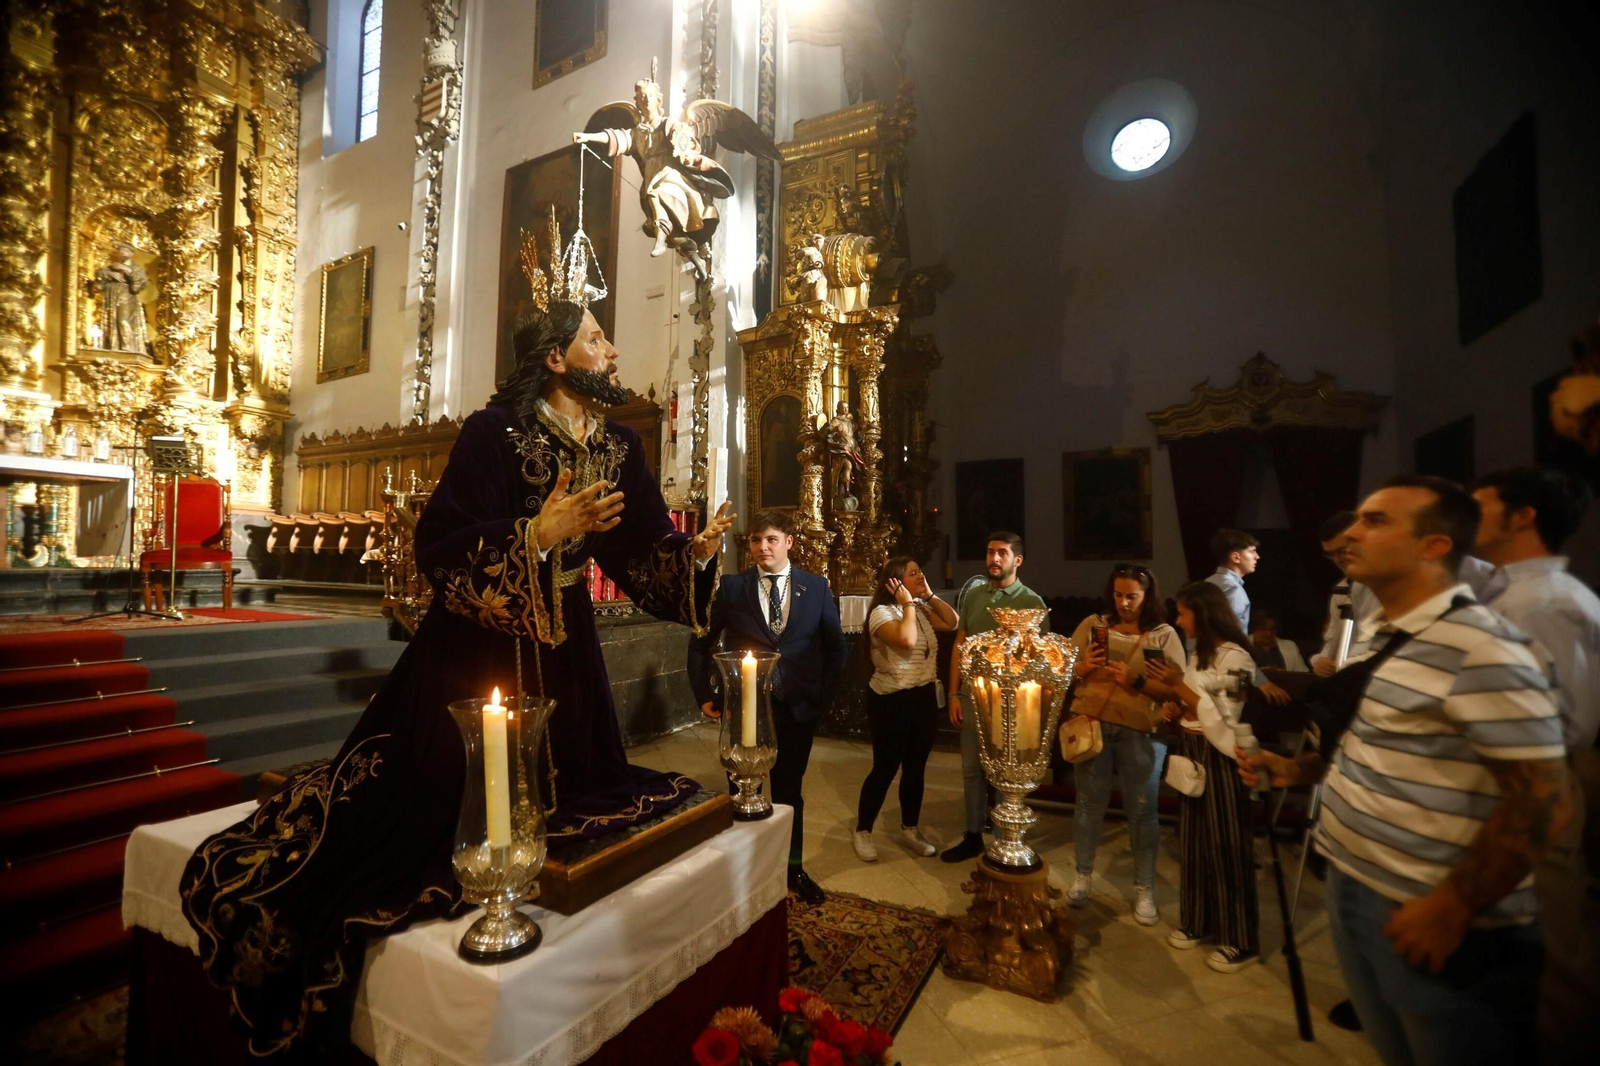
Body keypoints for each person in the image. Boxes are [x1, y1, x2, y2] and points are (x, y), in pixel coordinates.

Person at [181, 292, 735, 1059]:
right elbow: (442, 546)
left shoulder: (617, 447)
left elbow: (640, 545)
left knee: (579, 790)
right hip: (479, 647)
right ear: (554, 358)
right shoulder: (493, 434)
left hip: (566, 644)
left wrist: (692, 556)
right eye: (596, 339)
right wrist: (535, 534)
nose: (610, 351)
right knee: (426, 808)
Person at [1239, 475, 1571, 1066]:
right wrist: (1301, 768)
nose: (1352, 533)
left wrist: (1452, 908)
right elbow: (1383, 747)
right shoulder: (1390, 637)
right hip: (1355, 884)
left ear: (1434, 546)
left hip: (1426, 904)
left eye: (1375, 521)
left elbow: (1543, 798)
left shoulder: (1483, 648)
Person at [1471, 466, 1600, 1066]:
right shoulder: (1508, 592)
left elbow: (1563, 722)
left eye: (1481, 502)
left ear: (1522, 516)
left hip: (1534, 787)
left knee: (1552, 946)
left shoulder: (1541, 601)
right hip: (1510, 784)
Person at [688, 510, 847, 905]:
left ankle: (793, 868)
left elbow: (835, 649)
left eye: (772, 539)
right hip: (747, 706)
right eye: (757, 541)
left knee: (790, 792)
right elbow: (700, 641)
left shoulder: (817, 587)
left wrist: (821, 697)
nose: (763, 548)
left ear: (789, 542)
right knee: (743, 787)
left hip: (797, 706)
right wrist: (704, 693)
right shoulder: (732, 588)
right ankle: (743, 866)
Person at [1142, 581, 1261, 973]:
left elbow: (1225, 714)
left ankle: (1240, 939)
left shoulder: (1239, 658)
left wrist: (1178, 686)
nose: (1178, 620)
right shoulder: (1200, 656)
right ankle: (1199, 920)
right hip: (1193, 751)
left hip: (1223, 758)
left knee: (1226, 845)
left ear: (1204, 615)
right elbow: (1194, 703)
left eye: (1184, 613)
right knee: (1193, 842)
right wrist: (1175, 702)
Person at [1062, 564, 1185, 924]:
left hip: (1140, 730)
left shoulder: (1162, 634)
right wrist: (1083, 665)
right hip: (1094, 725)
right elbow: (1064, 667)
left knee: (1143, 810)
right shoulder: (1095, 624)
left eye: (1132, 596)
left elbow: (1178, 687)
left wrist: (1137, 679)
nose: (1124, 603)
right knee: (1088, 804)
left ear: (1148, 596)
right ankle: (1083, 876)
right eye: (1118, 594)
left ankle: (1143, 888)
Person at [940, 531, 1048, 863]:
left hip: (1011, 702)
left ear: (1017, 560)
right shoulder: (973, 596)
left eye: (1002, 553)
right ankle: (973, 834)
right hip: (973, 695)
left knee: (1006, 772)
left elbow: (1040, 661)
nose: (994, 559)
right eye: (990, 552)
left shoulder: (1032, 602)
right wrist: (954, 692)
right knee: (972, 769)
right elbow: (960, 644)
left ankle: (1005, 837)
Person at [852, 556, 959, 862]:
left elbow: (952, 622)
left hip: (922, 698)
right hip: (891, 700)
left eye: (921, 571)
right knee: (885, 768)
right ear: (895, 582)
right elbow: (907, 640)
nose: (921, 575)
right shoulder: (881, 613)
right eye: (914, 573)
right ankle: (863, 830)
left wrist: (928, 596)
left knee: (916, 768)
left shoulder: (920, 609)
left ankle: (909, 828)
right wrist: (909, 605)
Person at [1203, 528, 1291, 704]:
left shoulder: (1207, 584)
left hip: (1202, 668)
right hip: (1224, 674)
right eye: (1252, 551)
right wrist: (1260, 680)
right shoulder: (1233, 590)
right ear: (1236, 557)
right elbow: (1232, 640)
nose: (1257, 556)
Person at [1311, 510, 1382, 676]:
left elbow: (1379, 644)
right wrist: (1319, 661)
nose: (1338, 559)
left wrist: (1346, 667)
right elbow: (1334, 639)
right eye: (1332, 554)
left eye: (1342, 550)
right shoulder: (1343, 589)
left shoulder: (1388, 581)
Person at [1248, 607, 1307, 671]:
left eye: (1272, 628)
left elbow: (1303, 675)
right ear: (1254, 629)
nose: (1269, 633)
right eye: (1264, 629)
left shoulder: (1290, 646)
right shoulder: (1241, 646)